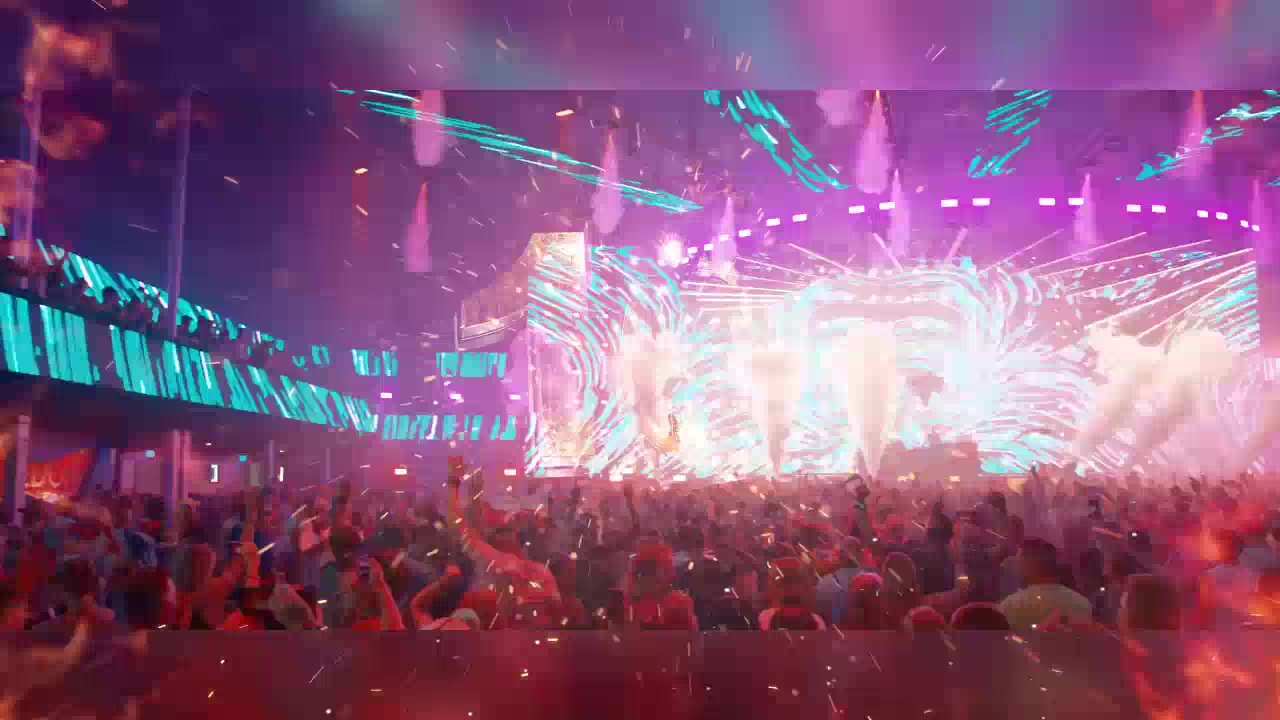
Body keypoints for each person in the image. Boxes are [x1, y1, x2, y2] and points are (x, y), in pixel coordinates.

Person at [997, 538, 1092, 631]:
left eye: (1019, 562)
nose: (1017, 567)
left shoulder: (1009, 606)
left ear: (1027, 566)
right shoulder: (1082, 604)